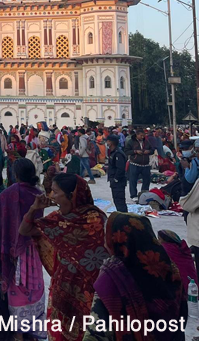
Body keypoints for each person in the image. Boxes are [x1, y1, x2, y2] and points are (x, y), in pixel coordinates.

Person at [19, 174, 108, 341]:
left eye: (55, 192)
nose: (51, 196)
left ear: (71, 195)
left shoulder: (95, 219)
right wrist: (34, 208)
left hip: (86, 290)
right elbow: (24, 230)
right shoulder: (57, 218)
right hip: (62, 288)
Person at [83, 213, 185, 341]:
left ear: (118, 239)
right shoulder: (169, 269)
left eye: (106, 237)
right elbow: (182, 316)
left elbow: (97, 332)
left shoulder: (113, 275)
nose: (104, 244)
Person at [0, 158, 45, 339]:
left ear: (15, 175)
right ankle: (33, 330)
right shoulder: (37, 193)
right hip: (32, 250)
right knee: (34, 287)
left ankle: (18, 333)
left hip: (13, 251)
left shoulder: (10, 193)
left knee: (17, 289)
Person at [125, 131, 152, 199]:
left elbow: (152, 149)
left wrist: (148, 151)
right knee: (133, 180)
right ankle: (133, 195)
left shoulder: (146, 141)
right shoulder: (131, 141)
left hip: (145, 164)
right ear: (137, 135)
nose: (142, 137)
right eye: (141, 135)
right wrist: (135, 151)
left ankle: (144, 194)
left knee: (146, 180)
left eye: (143, 135)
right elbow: (126, 151)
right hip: (134, 164)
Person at [105, 134, 127, 213]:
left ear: (111, 142)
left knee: (120, 202)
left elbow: (120, 168)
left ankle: (124, 220)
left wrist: (115, 179)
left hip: (118, 182)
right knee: (117, 201)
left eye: (107, 141)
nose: (106, 143)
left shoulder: (118, 153)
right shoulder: (113, 152)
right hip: (114, 181)